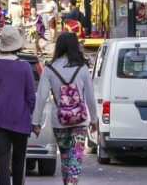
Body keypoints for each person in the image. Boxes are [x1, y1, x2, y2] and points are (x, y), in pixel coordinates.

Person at [33, 32, 95, 185]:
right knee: (76, 155)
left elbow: (41, 97)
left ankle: (68, 182)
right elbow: (90, 98)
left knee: (65, 156)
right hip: (80, 120)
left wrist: (36, 122)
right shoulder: (82, 69)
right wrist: (94, 119)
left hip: (59, 120)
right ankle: (71, 183)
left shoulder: (49, 69)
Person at [0, 26, 36, 185]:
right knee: (19, 159)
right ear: (17, 45)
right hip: (20, 118)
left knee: (2, 159)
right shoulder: (24, 66)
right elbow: (30, 96)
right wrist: (30, 114)